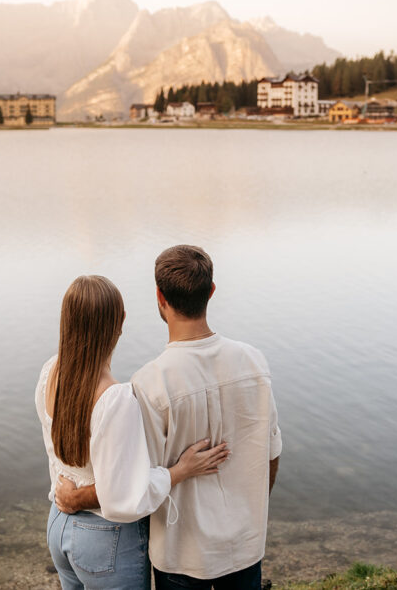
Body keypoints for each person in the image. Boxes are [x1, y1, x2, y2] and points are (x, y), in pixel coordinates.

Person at [57, 246, 282, 589]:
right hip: (245, 548)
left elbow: (129, 486)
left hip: (183, 557)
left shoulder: (149, 384)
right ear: (211, 292)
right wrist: (248, 512)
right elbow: (271, 453)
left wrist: (75, 498)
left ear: (160, 298)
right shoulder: (255, 363)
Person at [37, 274, 230, 590]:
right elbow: (126, 496)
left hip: (58, 525)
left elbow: (54, 452)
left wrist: (69, 498)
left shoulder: (50, 372)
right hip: (105, 539)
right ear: (119, 323)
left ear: (66, 320)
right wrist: (180, 471)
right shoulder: (114, 398)